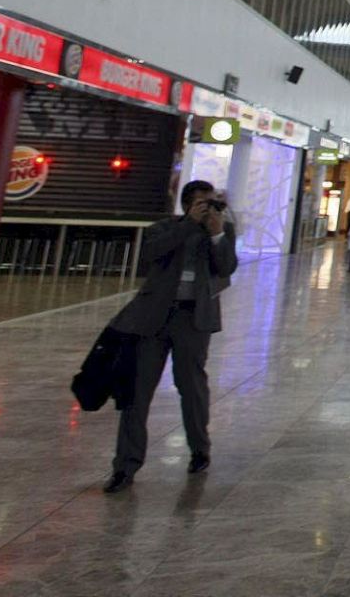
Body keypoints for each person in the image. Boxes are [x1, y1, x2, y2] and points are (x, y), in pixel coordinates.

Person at [104, 179, 238, 493]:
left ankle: (199, 449)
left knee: (191, 387)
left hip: (193, 319)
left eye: (213, 203)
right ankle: (125, 465)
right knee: (137, 393)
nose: (209, 209)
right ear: (188, 204)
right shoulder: (164, 228)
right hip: (153, 319)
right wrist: (189, 224)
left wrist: (217, 231)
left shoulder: (219, 232)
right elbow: (150, 255)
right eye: (203, 203)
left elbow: (227, 267)